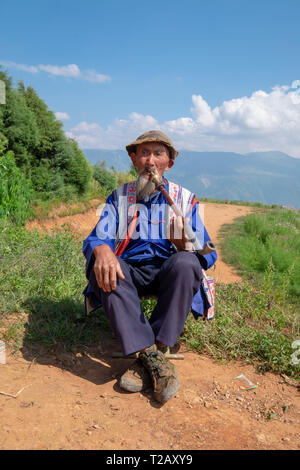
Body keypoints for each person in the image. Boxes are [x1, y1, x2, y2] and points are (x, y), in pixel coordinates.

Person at [83, 130, 217, 404]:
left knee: (186, 262)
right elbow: (97, 237)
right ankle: (153, 355)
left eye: (158, 154)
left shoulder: (184, 200)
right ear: (134, 160)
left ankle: (146, 353)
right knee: (108, 264)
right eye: (144, 153)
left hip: (167, 273)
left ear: (169, 163)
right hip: (129, 272)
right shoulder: (119, 197)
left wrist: (186, 246)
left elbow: (209, 254)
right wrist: (102, 249)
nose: (151, 161)